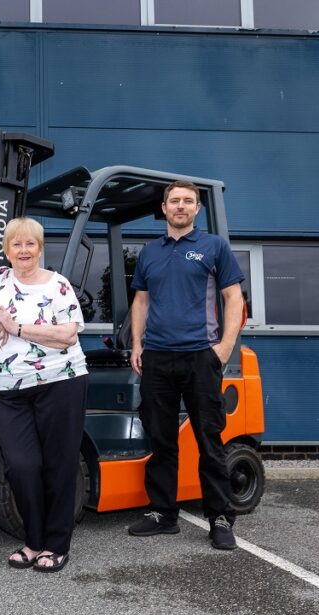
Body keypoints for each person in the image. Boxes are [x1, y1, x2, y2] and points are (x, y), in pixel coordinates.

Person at [0, 217, 88, 573]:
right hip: (11, 390)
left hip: (60, 383)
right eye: (17, 244)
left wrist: (16, 327)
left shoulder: (57, 285)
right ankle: (33, 541)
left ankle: (55, 545)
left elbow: (68, 336)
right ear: (7, 249)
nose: (24, 251)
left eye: (31, 244)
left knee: (59, 465)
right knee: (21, 465)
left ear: (40, 248)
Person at [126, 180, 244, 550]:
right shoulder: (149, 253)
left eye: (188, 201)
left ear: (197, 209)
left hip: (200, 357)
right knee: (161, 440)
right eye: (174, 201)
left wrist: (223, 348)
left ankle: (220, 517)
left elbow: (233, 298)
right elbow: (141, 302)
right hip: (157, 358)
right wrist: (137, 344)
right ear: (163, 208)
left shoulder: (214, 247)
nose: (180, 206)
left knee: (209, 440)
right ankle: (163, 513)